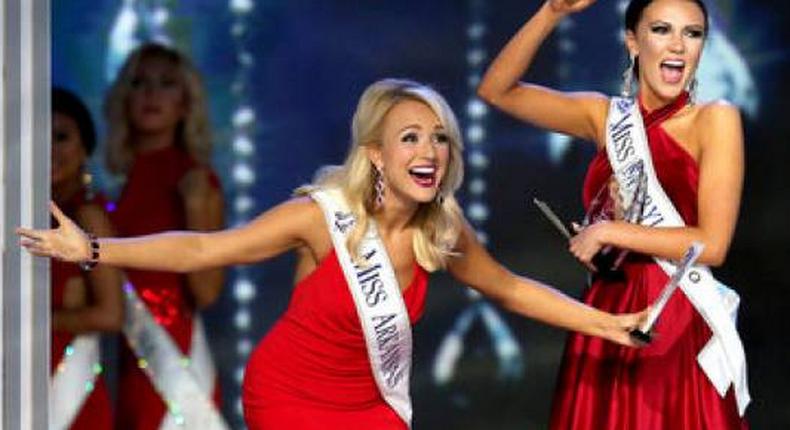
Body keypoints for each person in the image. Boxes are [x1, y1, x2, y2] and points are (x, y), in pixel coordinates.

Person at [20, 78, 644, 430]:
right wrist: (93, 248)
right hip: (289, 397)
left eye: (439, 139)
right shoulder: (321, 216)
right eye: (409, 138)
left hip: (371, 406)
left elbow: (510, 289)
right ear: (376, 153)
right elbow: (206, 247)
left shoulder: (442, 230)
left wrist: (607, 323)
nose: (428, 151)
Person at [477, 0, 749, 429]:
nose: (678, 45)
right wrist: (551, 12)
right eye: (661, 30)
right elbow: (496, 91)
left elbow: (711, 245)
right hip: (604, 314)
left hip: (673, 316)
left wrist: (612, 230)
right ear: (632, 41)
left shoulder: (715, 119)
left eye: (692, 34)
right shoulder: (603, 117)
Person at [102, 42, 227, 429]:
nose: (152, 93)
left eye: (167, 84)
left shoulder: (196, 180)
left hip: (175, 355)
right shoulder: (111, 186)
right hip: (122, 354)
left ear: (185, 103)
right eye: (139, 83)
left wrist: (193, 208)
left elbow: (207, 292)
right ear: (124, 99)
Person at [50, 87, 124, 430]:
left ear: (84, 148)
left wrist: (28, 322)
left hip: (70, 391)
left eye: (60, 136)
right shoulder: (20, 216)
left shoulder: (89, 216)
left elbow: (111, 314)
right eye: (39, 135)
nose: (48, 148)